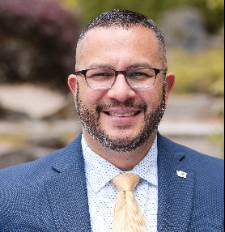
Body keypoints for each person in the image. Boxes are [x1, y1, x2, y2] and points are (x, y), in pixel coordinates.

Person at [0, 9, 223, 232]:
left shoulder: (218, 185)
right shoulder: (8, 196)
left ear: (166, 88)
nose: (121, 92)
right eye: (101, 74)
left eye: (139, 74)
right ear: (75, 89)